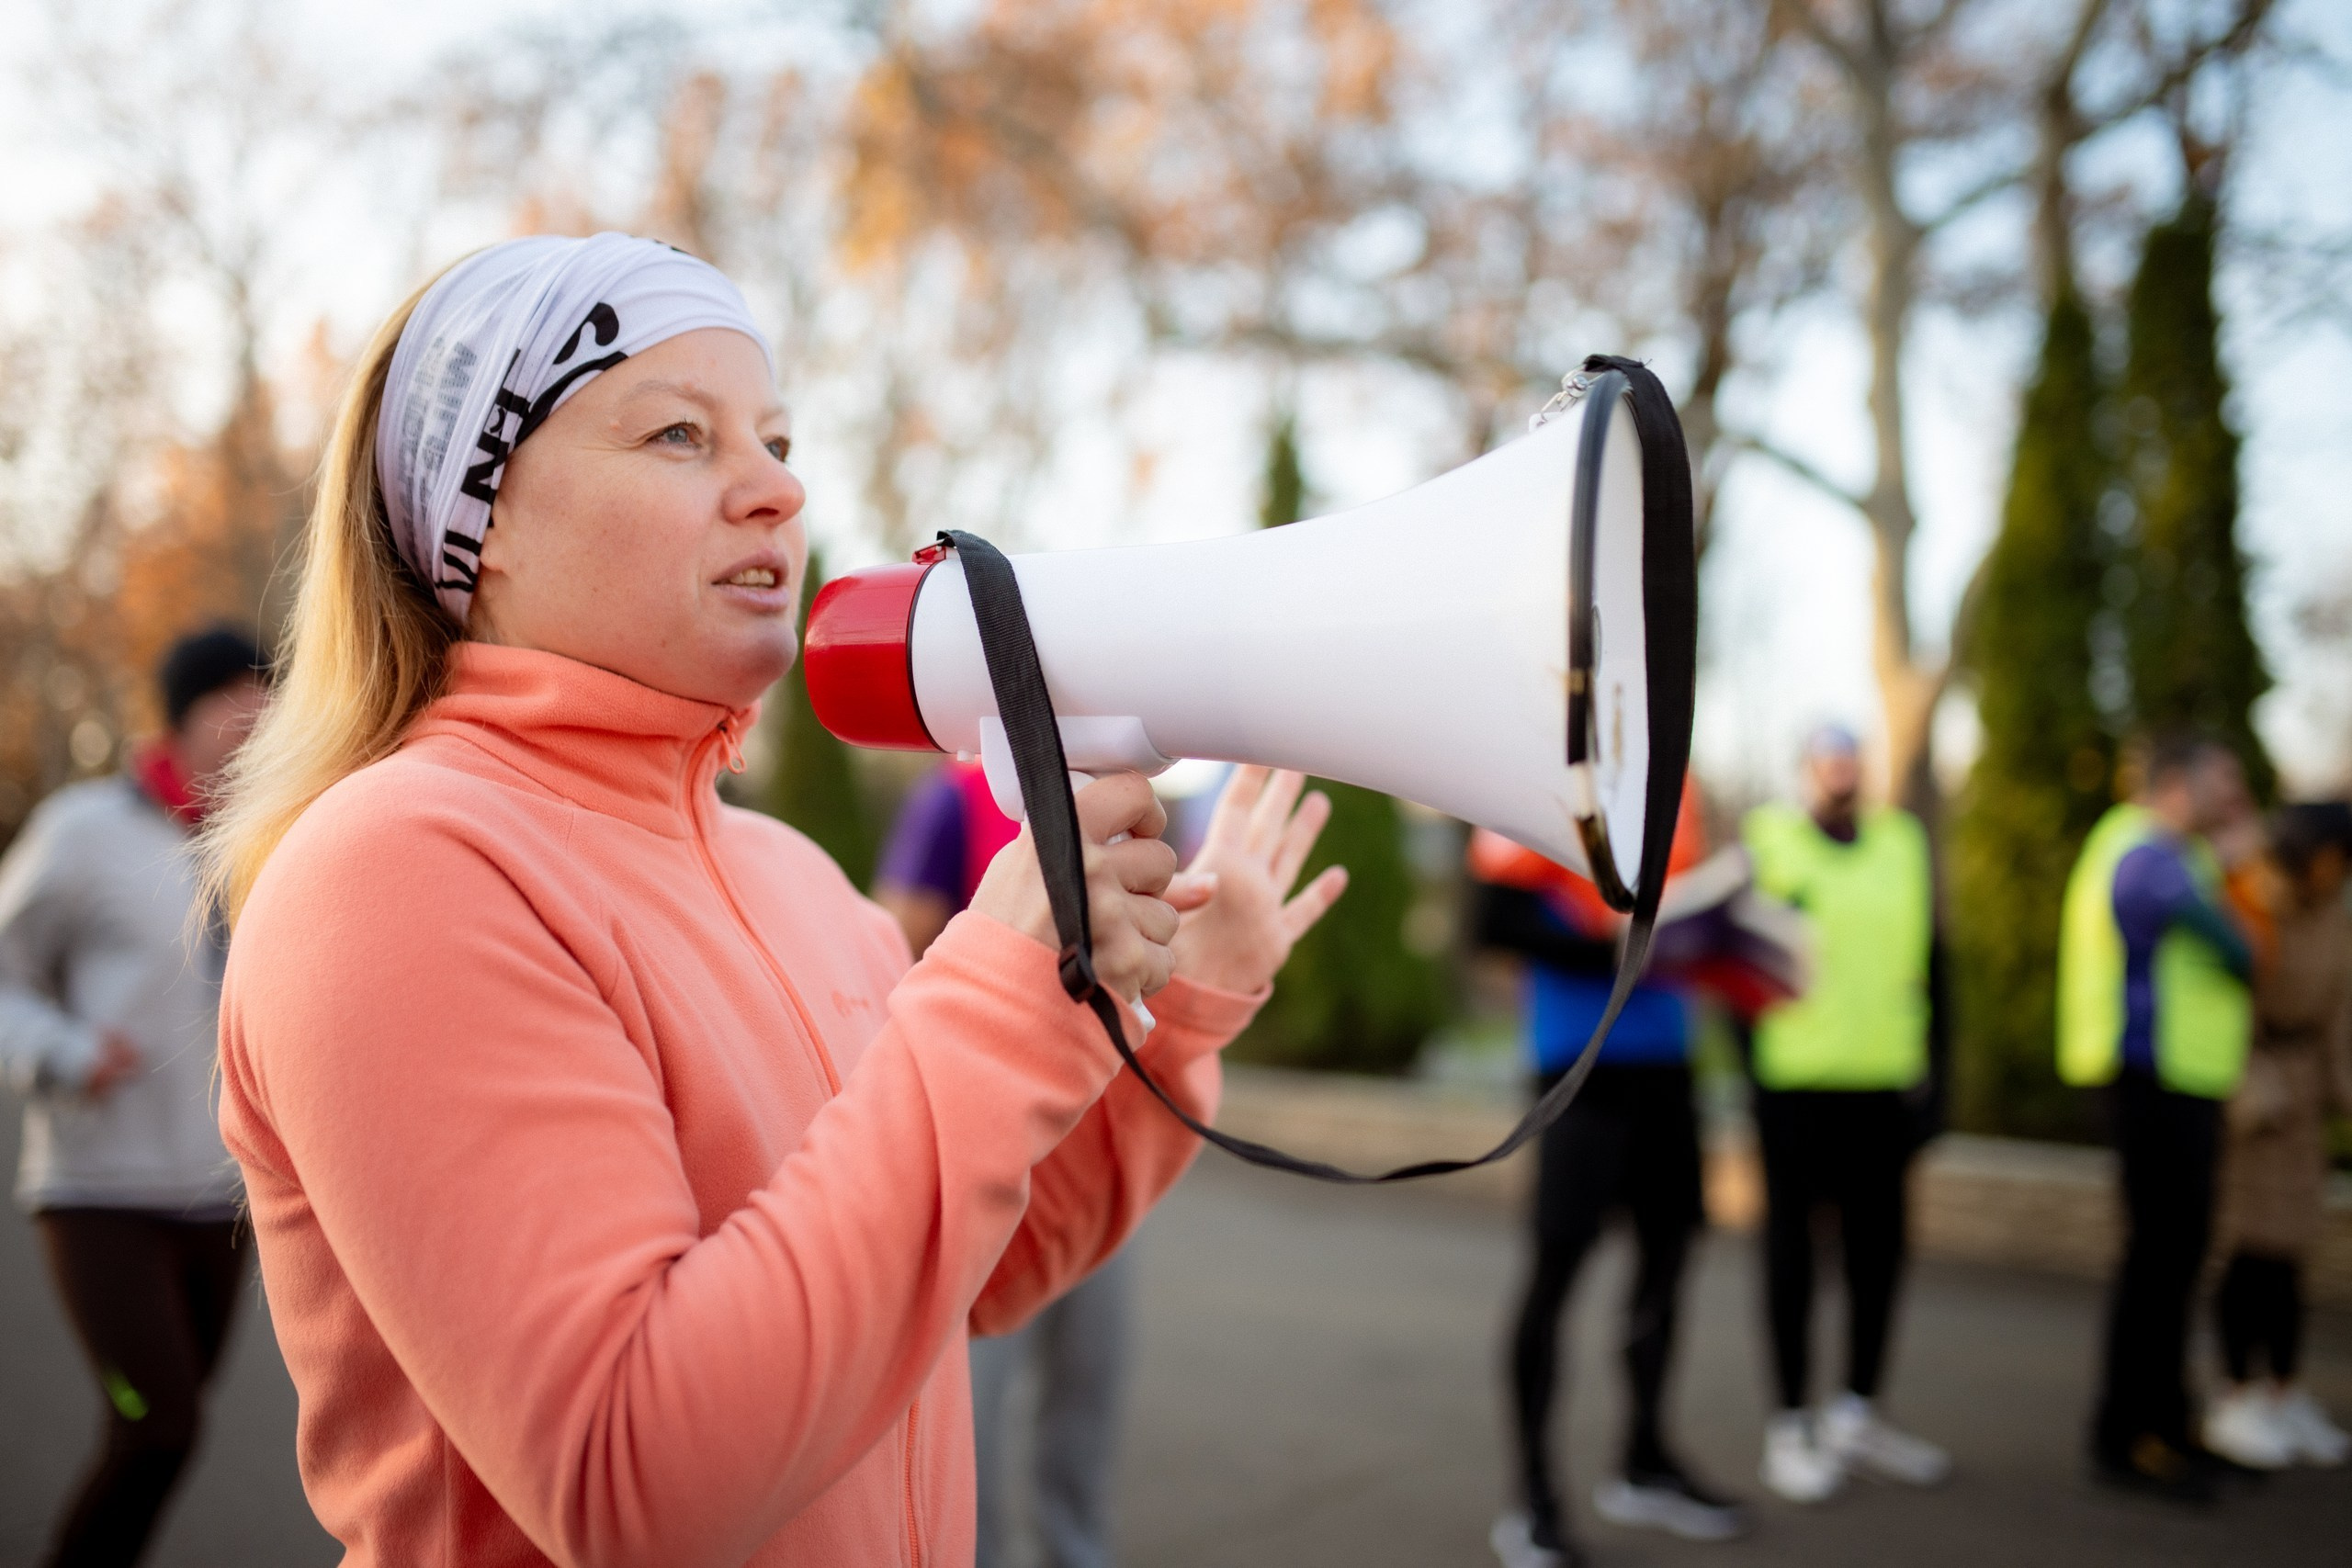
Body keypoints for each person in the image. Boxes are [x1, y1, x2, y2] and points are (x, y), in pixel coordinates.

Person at [198, 232, 1347, 1568]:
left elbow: (968, 1268)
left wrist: (1175, 1007)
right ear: (484, 518)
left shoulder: (790, 869)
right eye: (680, 436)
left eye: (781, 441)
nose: (776, 492)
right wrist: (1004, 983)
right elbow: (631, 1480)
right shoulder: (395, 872)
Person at [0, 626, 269, 1568]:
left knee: (163, 1435)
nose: (254, 718)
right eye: (232, 699)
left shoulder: (266, 838)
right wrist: (64, 1049)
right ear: (180, 717)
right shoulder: (83, 833)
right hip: (98, 1194)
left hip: (217, 1199)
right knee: (154, 1421)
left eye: (264, 700)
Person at [876, 760, 1136, 1568]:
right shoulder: (952, 798)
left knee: (1087, 1394)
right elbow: (895, 940)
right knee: (971, 1413)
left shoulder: (1133, 792)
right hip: (990, 1144)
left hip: (1097, 1137)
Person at [1474, 787, 1745, 1568]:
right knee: (1558, 1270)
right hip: (1578, 1062)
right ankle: (1531, 1502)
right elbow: (1492, 920)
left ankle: (1645, 1461)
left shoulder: (1678, 778)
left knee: (1668, 1259)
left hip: (1668, 1058)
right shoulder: (1548, 768)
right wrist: (1614, 946)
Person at [1739, 724, 1951, 1505]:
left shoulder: (1901, 841)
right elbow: (1737, 962)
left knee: (1880, 1256)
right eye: (1828, 759)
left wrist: (1941, 1077)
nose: (1843, 771)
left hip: (1884, 1088)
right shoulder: (1770, 840)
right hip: (1795, 1089)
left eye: (1852, 758)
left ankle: (1858, 1411)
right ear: (1806, 771)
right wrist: (1751, 1074)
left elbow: (1934, 958)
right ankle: (1790, 1425)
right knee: (1794, 1258)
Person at [2057, 734, 2254, 1501]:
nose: (2233, 794)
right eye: (2223, 779)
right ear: (2180, 783)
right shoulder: (2147, 853)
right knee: (2156, 1261)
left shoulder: (2179, 852)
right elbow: (2236, 951)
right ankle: (2126, 1436)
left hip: (2180, 1077)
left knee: (2173, 1260)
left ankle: (2168, 1423)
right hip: (2150, 1077)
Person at [2202, 802, 2352, 1470]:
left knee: (2291, 1251)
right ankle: (2237, 1394)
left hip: (2305, 1099)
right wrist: (2246, 1083)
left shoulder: (2336, 921)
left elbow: (2340, 1019)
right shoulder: (2249, 901)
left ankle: (2284, 1389)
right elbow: (2215, 1002)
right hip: (2253, 1099)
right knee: (2248, 1251)